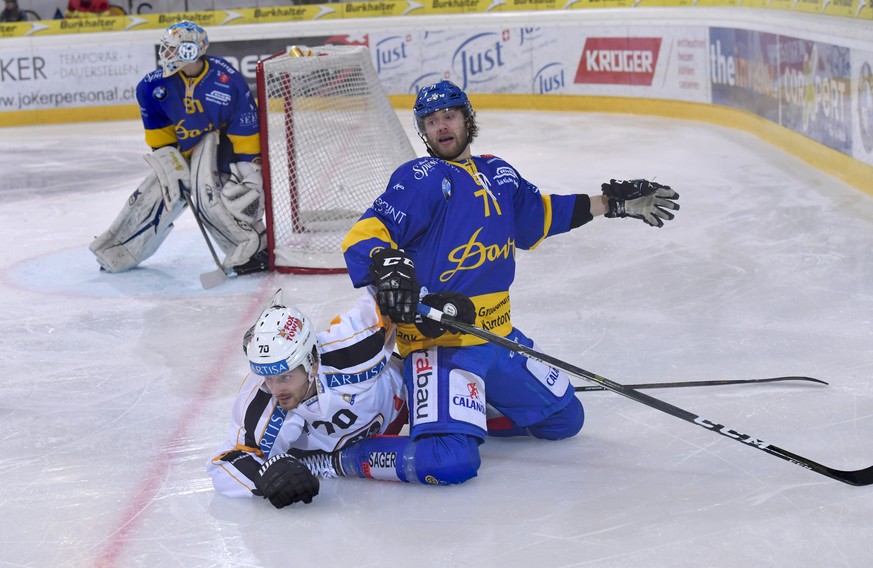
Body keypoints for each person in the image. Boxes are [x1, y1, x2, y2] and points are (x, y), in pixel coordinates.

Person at [312, 80, 681, 486]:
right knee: (449, 462)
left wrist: (613, 205)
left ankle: (466, 413)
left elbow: (543, 214)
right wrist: (387, 261)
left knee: (564, 419)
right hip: (441, 346)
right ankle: (343, 458)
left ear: (468, 119)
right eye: (431, 121)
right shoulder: (422, 178)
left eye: (449, 116)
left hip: (498, 337)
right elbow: (365, 233)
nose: (441, 127)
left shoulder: (498, 172)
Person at [90, 20, 268, 275]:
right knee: (155, 197)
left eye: (174, 49)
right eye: (166, 48)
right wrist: (169, 164)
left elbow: (245, 131)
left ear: (191, 51)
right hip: (182, 151)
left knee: (224, 199)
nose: (167, 55)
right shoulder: (152, 86)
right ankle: (118, 252)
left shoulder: (228, 81)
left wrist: (250, 174)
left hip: (220, 146)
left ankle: (252, 252)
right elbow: (160, 136)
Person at [207, 288, 410, 508]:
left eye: (285, 376)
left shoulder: (352, 347)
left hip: (406, 400)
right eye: (268, 377)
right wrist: (264, 476)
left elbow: (387, 294)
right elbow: (225, 464)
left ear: (312, 363)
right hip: (350, 461)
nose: (276, 390)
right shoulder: (262, 402)